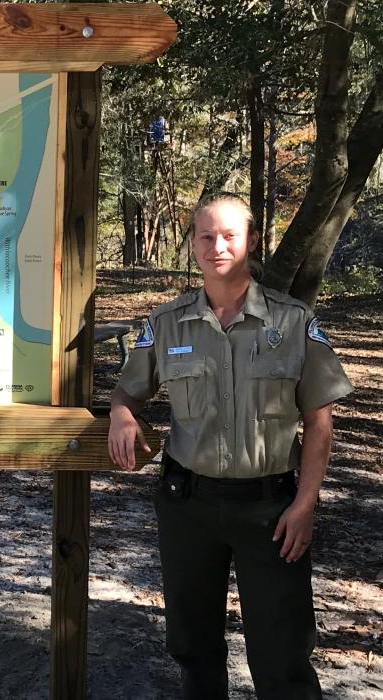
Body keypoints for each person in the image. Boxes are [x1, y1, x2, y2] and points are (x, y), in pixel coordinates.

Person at [107, 192, 353, 699]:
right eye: (206, 236)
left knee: (282, 653)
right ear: (193, 244)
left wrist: (305, 504)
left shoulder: (293, 322)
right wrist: (121, 414)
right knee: (193, 647)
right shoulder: (166, 323)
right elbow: (128, 388)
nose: (217, 245)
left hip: (270, 511)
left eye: (229, 235)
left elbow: (320, 422)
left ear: (251, 241)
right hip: (188, 506)